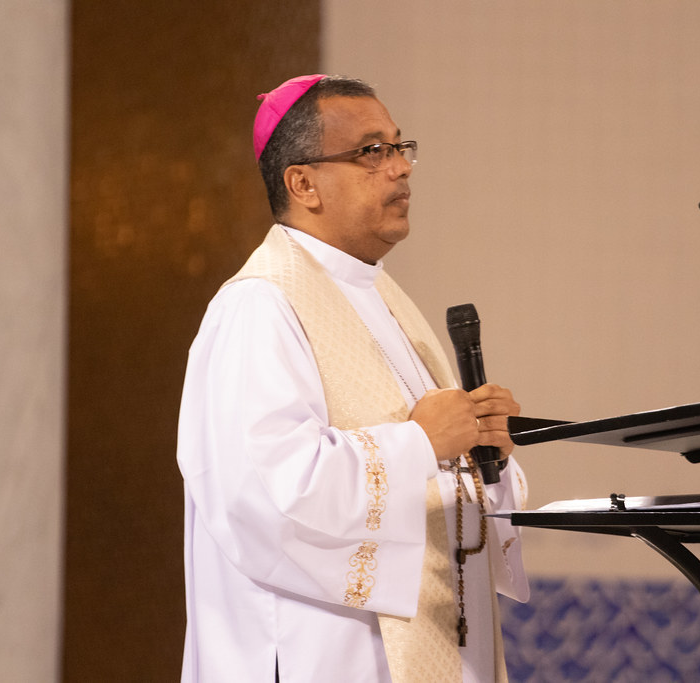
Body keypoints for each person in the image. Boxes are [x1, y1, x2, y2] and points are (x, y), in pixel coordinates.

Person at [177, 74, 529, 682]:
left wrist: (484, 455)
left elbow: (435, 478)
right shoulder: (258, 307)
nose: (400, 169)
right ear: (303, 182)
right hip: (322, 653)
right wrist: (420, 443)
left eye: (399, 147)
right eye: (372, 152)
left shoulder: (388, 303)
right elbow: (262, 493)